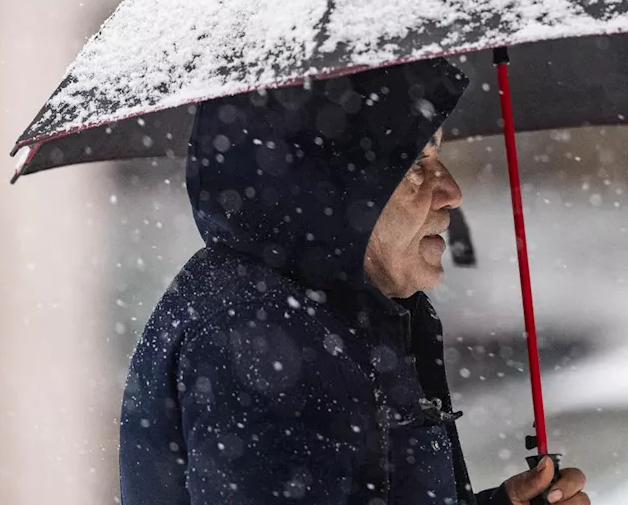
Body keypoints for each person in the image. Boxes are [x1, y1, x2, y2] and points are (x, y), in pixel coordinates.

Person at [119, 58, 589, 505]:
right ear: (337, 188)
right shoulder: (259, 336)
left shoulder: (330, 317)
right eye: (415, 165)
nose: (450, 191)